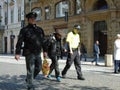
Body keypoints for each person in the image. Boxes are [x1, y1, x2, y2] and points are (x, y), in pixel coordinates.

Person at [15, 12, 47, 90]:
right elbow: (19, 42)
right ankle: (30, 86)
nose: (33, 20)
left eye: (34, 18)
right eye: (31, 18)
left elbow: (43, 41)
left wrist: (45, 51)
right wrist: (17, 53)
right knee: (30, 69)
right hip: (29, 52)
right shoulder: (24, 30)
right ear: (28, 20)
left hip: (38, 52)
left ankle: (29, 79)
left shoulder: (40, 29)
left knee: (39, 68)